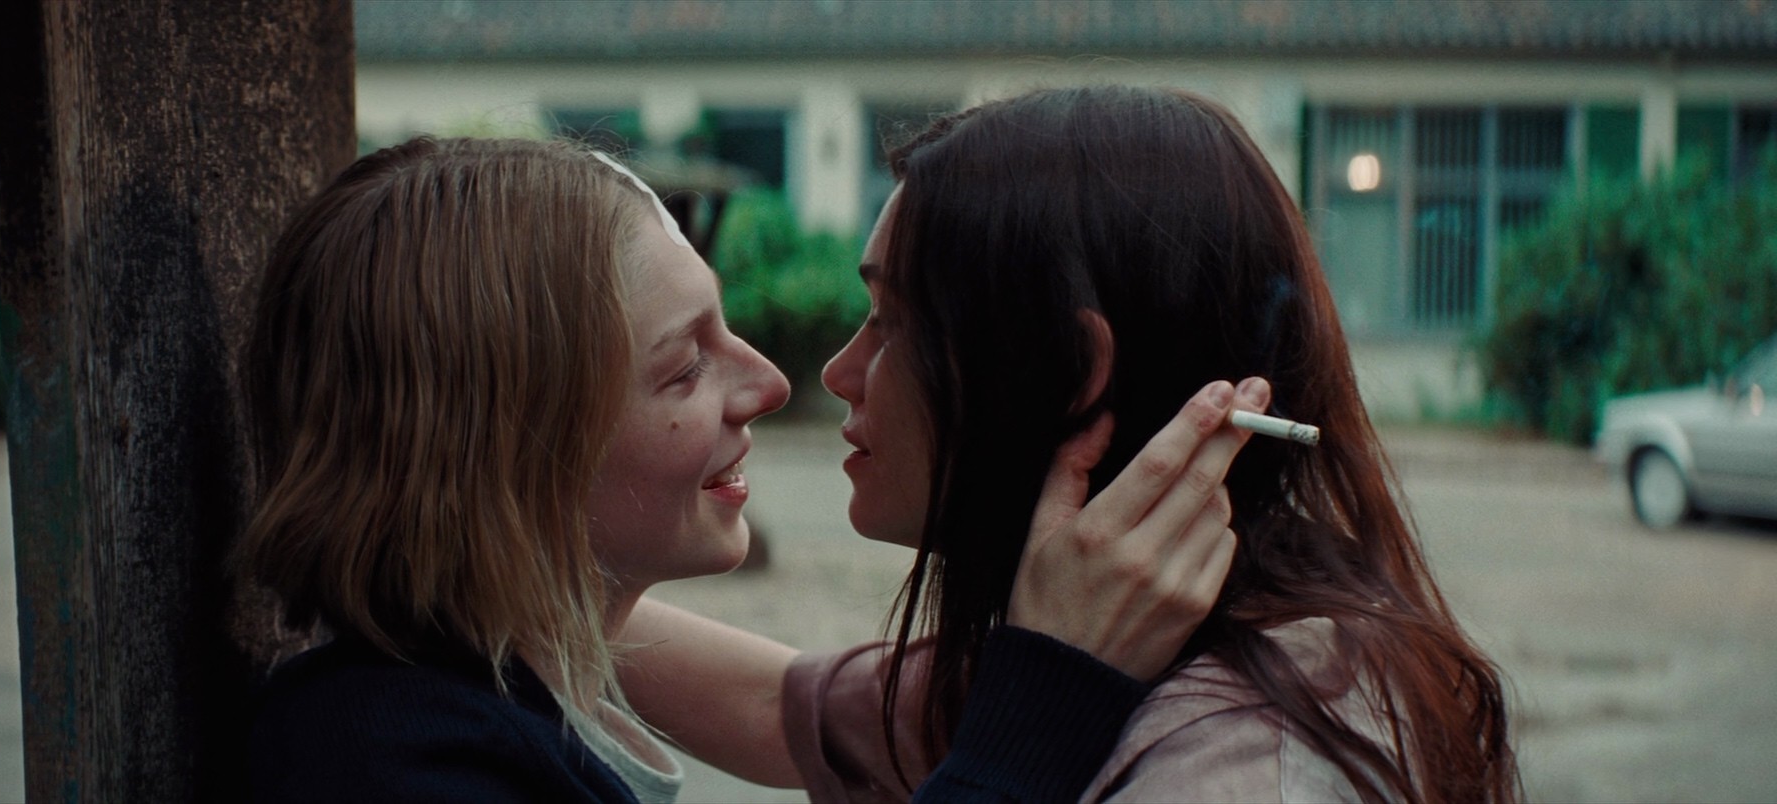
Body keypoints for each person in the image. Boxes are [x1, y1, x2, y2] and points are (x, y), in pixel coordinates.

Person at [233, 136, 1261, 803]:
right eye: (684, 366)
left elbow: (786, 704)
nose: (773, 384)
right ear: (501, 444)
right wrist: (1044, 702)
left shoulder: (456, 699)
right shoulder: (391, 768)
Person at [621, 85, 1520, 803]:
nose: (834, 373)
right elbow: (774, 708)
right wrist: (547, 572)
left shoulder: (1238, 763)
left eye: (892, 322)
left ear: (1068, 368)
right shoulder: (1124, 637)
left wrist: (1037, 713)